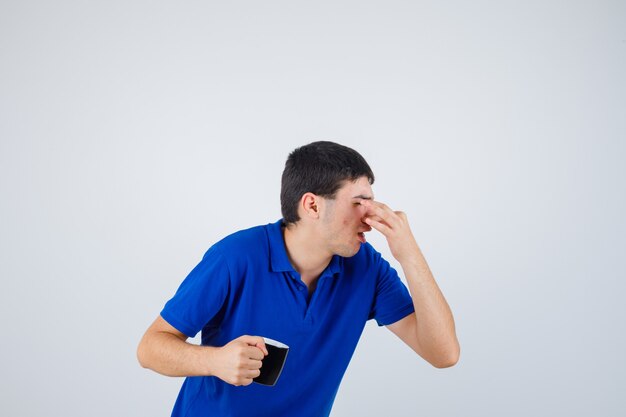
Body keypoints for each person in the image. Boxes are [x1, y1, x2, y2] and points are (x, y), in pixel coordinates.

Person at [137, 141, 460, 417]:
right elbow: (150, 348)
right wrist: (215, 361)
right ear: (312, 205)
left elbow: (443, 354)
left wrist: (410, 254)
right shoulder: (236, 256)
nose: (370, 216)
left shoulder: (366, 267)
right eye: (359, 202)